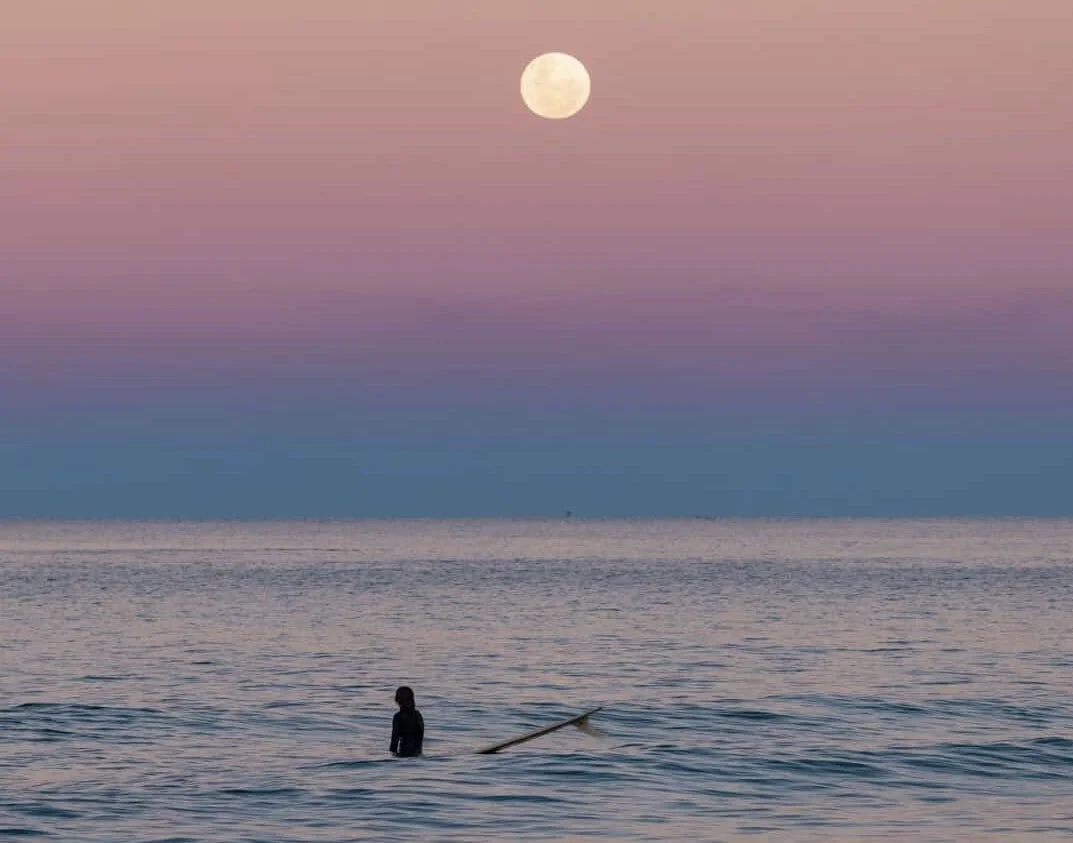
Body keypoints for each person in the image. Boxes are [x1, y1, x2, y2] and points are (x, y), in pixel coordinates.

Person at [390, 686, 424, 757]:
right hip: (418, 755)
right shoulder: (418, 715)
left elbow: (394, 742)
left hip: (403, 755)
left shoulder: (398, 717)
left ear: (397, 700)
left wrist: (392, 757)